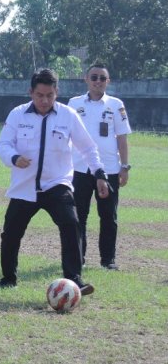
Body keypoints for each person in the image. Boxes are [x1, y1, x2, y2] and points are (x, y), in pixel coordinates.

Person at [0, 68, 108, 295]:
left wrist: (100, 174)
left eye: (50, 95)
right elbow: (3, 145)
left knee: (71, 224)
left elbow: (87, 147)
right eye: (40, 95)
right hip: (24, 187)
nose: (45, 100)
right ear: (31, 92)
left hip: (57, 185)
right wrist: (14, 158)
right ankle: (8, 278)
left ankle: (74, 279)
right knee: (10, 234)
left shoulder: (68, 115)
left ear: (57, 92)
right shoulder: (17, 114)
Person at [68, 64, 131, 270]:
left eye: (102, 78)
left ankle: (108, 260)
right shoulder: (74, 103)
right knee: (79, 216)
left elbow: (122, 138)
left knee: (108, 217)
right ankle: (79, 259)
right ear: (86, 79)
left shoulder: (115, 105)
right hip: (79, 169)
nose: (98, 81)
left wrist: (124, 166)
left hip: (109, 169)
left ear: (108, 81)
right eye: (94, 77)